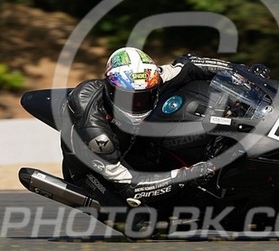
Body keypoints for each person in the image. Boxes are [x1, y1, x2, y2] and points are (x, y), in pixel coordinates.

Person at [60, 46, 233, 212]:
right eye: (129, 99)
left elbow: (188, 65)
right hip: (94, 169)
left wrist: (238, 72)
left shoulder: (150, 79)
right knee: (140, 220)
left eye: (145, 98)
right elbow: (129, 185)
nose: (138, 106)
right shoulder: (96, 133)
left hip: (134, 142)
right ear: (111, 90)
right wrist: (186, 175)